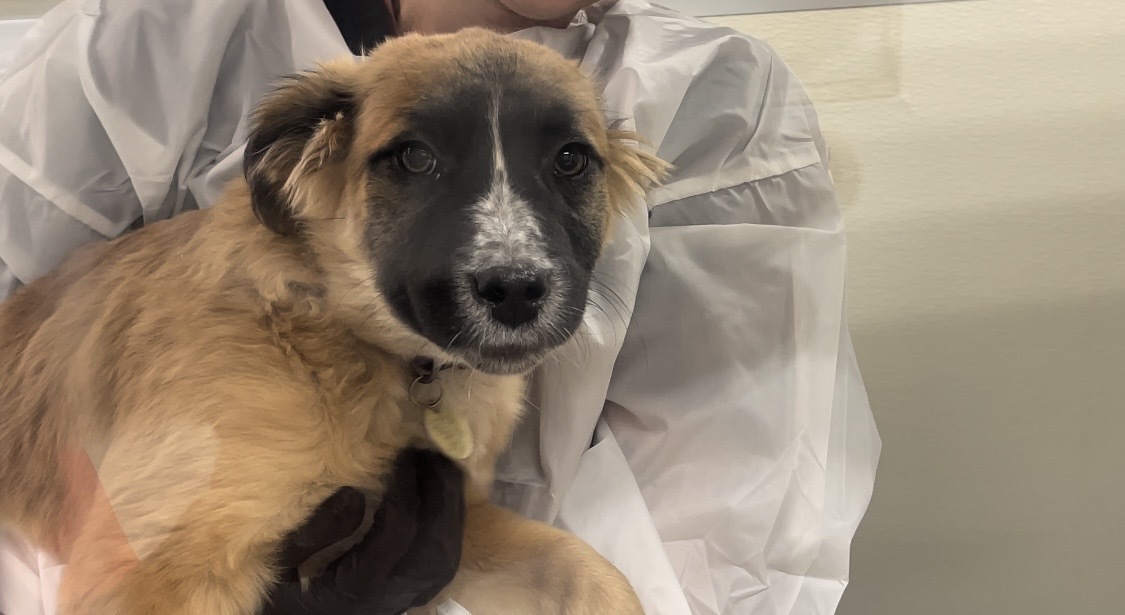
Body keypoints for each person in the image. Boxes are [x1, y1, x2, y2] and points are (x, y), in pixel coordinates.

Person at [0, 1, 881, 614]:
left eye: (571, 165)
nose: (512, 258)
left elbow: (743, 536)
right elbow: (128, 561)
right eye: (415, 157)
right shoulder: (164, 38)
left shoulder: (718, 98)